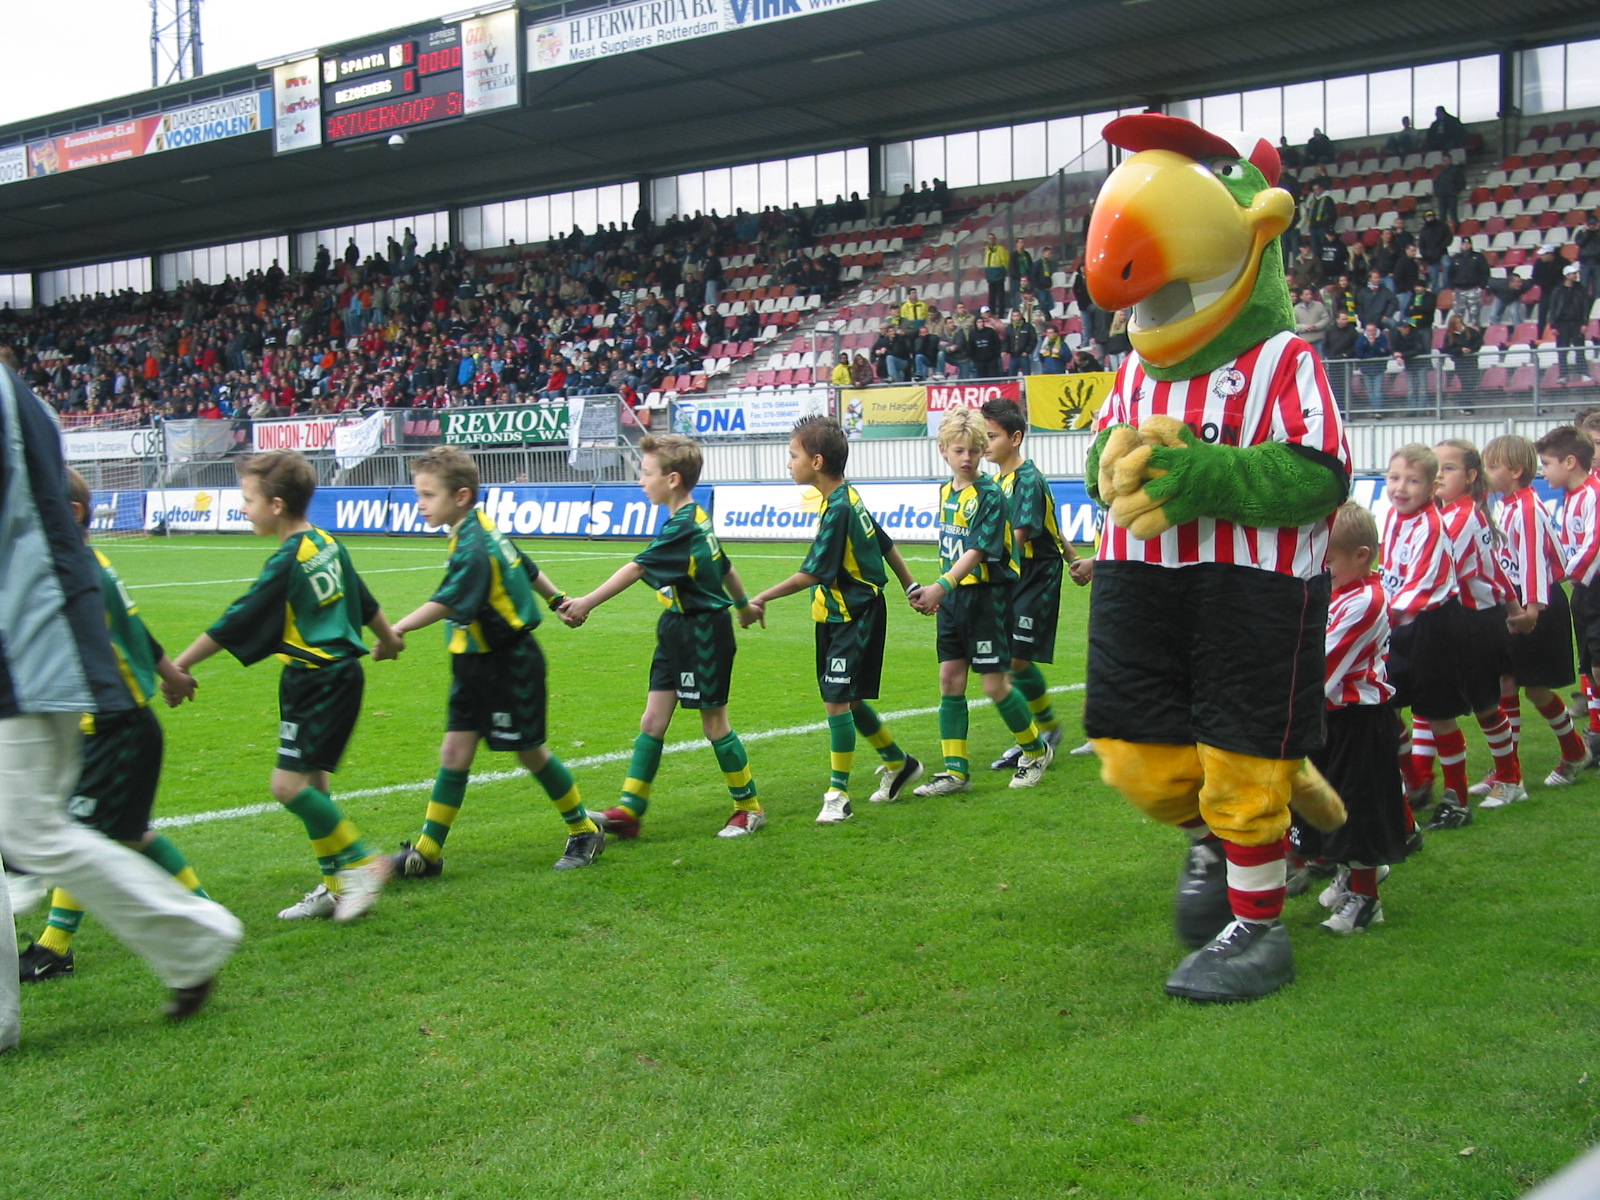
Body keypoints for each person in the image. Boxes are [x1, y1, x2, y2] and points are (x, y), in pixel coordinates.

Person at [1, 370, 240, 1044]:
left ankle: (192, 935)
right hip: (44, 639)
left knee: (33, 831)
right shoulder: (26, 399)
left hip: (27, 641)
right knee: (30, 829)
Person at [172, 450, 402, 922]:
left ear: (276, 505)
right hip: (325, 677)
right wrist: (387, 637)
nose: (243, 508)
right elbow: (362, 597)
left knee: (287, 786)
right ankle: (337, 886)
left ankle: (364, 861)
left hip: (318, 678)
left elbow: (238, 618)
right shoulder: (326, 542)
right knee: (314, 784)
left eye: (248, 499)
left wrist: (179, 665)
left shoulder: (289, 558)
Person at [16, 470, 216, 982]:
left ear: (73, 513)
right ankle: (205, 912)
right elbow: (134, 629)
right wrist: (171, 672)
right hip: (101, 725)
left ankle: (56, 946)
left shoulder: (75, 570)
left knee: (81, 833)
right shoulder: (85, 565)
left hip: (113, 726)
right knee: (126, 833)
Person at [385, 448, 603, 879]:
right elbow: (524, 564)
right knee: (454, 752)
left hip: (507, 662)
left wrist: (397, 629)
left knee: (529, 752)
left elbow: (447, 601)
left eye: (428, 495)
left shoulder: (475, 544)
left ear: (461, 495)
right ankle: (427, 853)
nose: (420, 503)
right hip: (472, 662)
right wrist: (557, 599)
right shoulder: (476, 526)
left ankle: (585, 828)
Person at [561, 435, 764, 839]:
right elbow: (724, 566)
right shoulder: (693, 517)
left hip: (703, 631)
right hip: (675, 627)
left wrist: (586, 602)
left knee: (714, 724)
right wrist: (743, 606)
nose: (640, 480)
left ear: (672, 479)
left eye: (647, 473)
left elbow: (637, 568)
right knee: (652, 720)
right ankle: (630, 810)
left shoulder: (684, 526)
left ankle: (748, 807)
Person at [740, 418, 924, 821]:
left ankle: (837, 796)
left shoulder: (840, 506)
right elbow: (885, 542)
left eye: (794, 455)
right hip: (836, 614)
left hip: (854, 615)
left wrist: (762, 597)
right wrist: (910, 585)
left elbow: (814, 572)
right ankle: (899, 762)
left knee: (836, 701)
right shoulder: (845, 497)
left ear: (817, 461)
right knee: (848, 698)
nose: (789, 463)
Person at [906, 408, 1052, 794]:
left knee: (993, 685)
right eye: (959, 450)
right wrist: (940, 591)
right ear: (944, 451)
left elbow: (976, 551)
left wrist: (940, 586)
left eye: (973, 450)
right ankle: (956, 772)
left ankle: (1035, 751)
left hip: (986, 599)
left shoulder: (990, 494)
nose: (967, 458)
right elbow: (949, 547)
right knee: (949, 679)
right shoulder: (945, 491)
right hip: (954, 599)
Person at [1289, 502, 1411, 934]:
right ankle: (1348, 875)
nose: (1323, 568)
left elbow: (1321, 664)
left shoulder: (1367, 601)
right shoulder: (1336, 592)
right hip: (1332, 720)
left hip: (1360, 721)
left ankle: (1366, 900)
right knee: (1329, 804)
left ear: (1361, 556)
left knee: (1355, 810)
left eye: (1330, 560)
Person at [1418, 440, 1528, 817]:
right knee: (1433, 704)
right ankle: (1427, 780)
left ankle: (1511, 780)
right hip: (1465, 619)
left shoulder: (1460, 519)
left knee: (1485, 706)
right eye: (1435, 468)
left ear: (1470, 476)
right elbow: (1494, 569)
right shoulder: (1454, 512)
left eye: (1448, 468)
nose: (1438, 476)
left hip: (1475, 622)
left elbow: (1438, 576)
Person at [1481, 434, 1589, 794]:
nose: (1486, 472)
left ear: (1515, 471)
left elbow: (1532, 565)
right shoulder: (1507, 505)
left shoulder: (1527, 508)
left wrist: (1530, 611)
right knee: (1506, 683)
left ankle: (1574, 751)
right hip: (1518, 601)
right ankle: (1507, 769)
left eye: (1492, 466)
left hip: (1537, 603)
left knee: (1536, 689)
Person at [1380, 445, 1475, 830]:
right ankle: (1416, 782)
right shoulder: (1391, 516)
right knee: (1386, 707)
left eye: (1413, 480)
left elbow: (1421, 586)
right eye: (1394, 478)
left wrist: (1376, 617)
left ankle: (1458, 799)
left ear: (1433, 485)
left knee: (1438, 716)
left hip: (1433, 626)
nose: (1400, 488)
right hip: (1398, 625)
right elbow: (1388, 570)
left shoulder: (1433, 525)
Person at [981, 399, 1073, 776]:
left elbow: (1018, 536)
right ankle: (1042, 730)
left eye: (991, 436)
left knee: (1014, 659)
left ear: (1015, 437)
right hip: (1014, 574)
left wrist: (975, 568)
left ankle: (1042, 733)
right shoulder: (997, 481)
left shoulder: (1027, 480)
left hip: (1035, 575)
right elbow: (1052, 522)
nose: (984, 443)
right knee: (1013, 659)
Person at [1534, 427, 1600, 778]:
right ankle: (1596, 735)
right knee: (1588, 665)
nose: (1542, 471)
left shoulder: (1593, 494)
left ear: (1570, 462)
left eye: (1547, 463)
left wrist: (1563, 573)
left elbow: (1593, 543)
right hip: (1583, 589)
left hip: (1594, 586)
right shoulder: (1571, 495)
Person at [1549, 263, 1592, 378]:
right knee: (1563, 350)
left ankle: (1583, 373)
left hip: (1577, 322)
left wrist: (1584, 323)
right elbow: (1553, 309)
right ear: (1567, 275)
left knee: (1580, 349)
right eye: (1573, 273)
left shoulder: (1580, 289)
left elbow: (1585, 307)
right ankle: (1563, 375)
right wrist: (1553, 326)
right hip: (1562, 323)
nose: (1575, 275)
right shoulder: (1558, 290)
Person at [1450, 236, 1491, 329]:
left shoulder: (1478, 257)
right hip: (1459, 290)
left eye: (1467, 244)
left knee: (1475, 315)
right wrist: (1452, 287)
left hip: (1474, 289)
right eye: (1464, 244)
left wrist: (1482, 286)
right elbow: (1450, 273)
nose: (1466, 246)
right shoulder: (1456, 258)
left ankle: (1475, 334)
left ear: (1471, 245)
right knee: (1458, 315)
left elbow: (1485, 272)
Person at [1355, 322, 1392, 412]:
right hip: (1366, 370)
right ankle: (1374, 409)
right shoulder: (1361, 339)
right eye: (1369, 330)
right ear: (1366, 331)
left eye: (1373, 330)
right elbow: (1359, 353)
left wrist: (1373, 345)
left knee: (1378, 390)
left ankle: (1378, 411)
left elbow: (1384, 352)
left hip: (1379, 369)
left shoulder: (1382, 338)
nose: (1371, 332)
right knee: (1370, 391)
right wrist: (1373, 353)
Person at [1532, 245, 1565, 334]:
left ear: (1550, 254)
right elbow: (1535, 277)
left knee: (1558, 313)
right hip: (1545, 292)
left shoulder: (1562, 263)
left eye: (1543, 254)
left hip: (1560, 293)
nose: (1541, 256)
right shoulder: (1538, 263)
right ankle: (1541, 334)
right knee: (1542, 314)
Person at [1432, 156, 1466, 227]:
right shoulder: (1441, 172)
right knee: (1442, 216)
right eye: (1444, 160)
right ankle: (1443, 231)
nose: (1445, 162)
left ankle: (1456, 229)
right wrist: (1437, 193)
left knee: (1453, 214)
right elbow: (1437, 183)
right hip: (1441, 196)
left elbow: (1462, 183)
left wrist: (1455, 191)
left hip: (1451, 196)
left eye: (1447, 160)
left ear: (1451, 160)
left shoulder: (1456, 170)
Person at [1293, 286, 1329, 354]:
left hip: (1319, 340)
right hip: (1304, 341)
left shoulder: (1319, 305)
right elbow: (1294, 324)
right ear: (1301, 296)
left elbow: (1326, 319)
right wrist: (1305, 327)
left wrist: (1316, 326)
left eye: (1310, 294)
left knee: (1320, 361)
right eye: (1306, 295)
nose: (1309, 296)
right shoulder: (1296, 309)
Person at [970, 309, 1003, 378]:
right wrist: (975, 358)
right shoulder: (972, 334)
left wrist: (995, 356)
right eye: (979, 322)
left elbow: (997, 344)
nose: (981, 323)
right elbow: (970, 347)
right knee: (981, 380)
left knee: (993, 379)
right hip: (979, 362)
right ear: (975, 323)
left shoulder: (990, 331)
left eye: (982, 322)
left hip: (991, 361)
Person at [982, 233, 1010, 316]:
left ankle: (1001, 313)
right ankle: (992, 313)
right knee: (992, 296)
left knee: (1000, 296)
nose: (991, 240)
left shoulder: (1000, 249)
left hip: (998, 274)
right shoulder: (987, 249)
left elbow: (1005, 261)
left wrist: (1004, 272)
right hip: (990, 275)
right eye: (989, 238)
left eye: (992, 238)